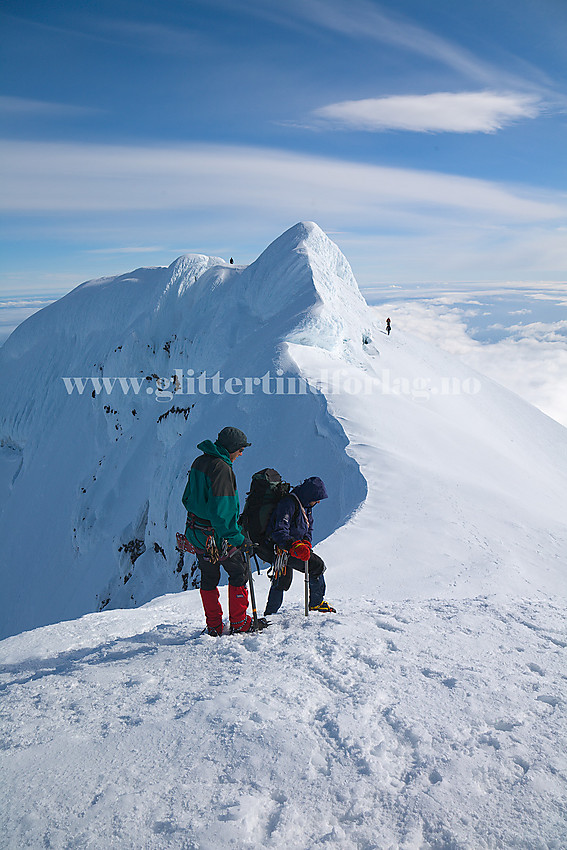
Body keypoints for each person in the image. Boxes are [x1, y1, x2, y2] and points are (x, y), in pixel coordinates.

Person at [182, 426, 263, 635]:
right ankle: (239, 622)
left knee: (209, 578)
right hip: (218, 537)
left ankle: (214, 626)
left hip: (198, 534)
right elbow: (222, 513)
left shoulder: (199, 462)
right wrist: (238, 538)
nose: (241, 454)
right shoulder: (222, 469)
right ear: (231, 448)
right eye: (240, 449)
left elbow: (187, 498)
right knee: (239, 573)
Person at [258, 476, 336, 615]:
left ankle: (270, 614)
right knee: (317, 566)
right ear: (309, 495)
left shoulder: (306, 504)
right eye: (316, 498)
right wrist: (294, 546)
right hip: (281, 548)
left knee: (282, 579)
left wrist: (305, 541)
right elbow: (280, 531)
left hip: (287, 548)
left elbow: (308, 527)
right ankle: (316, 603)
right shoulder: (288, 504)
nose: (318, 501)